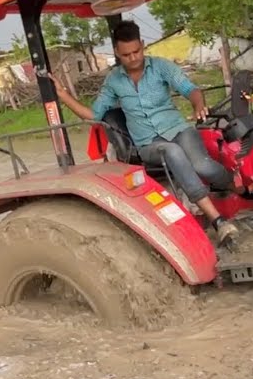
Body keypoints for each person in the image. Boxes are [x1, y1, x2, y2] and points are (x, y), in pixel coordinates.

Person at [53, 20, 240, 246]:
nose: (133, 58)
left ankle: (237, 188)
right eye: (126, 55)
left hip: (178, 129)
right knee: (172, 151)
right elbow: (93, 114)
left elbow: (191, 90)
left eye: (136, 51)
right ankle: (218, 221)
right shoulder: (114, 81)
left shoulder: (161, 67)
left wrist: (198, 105)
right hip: (148, 144)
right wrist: (63, 95)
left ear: (142, 45)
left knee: (203, 166)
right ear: (116, 52)